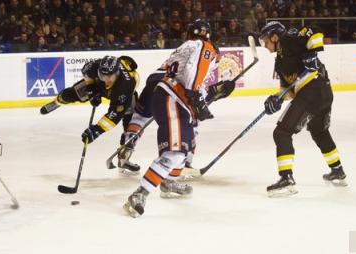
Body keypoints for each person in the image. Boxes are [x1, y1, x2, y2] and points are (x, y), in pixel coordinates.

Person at [123, 19, 223, 218]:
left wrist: (209, 94)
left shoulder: (185, 47)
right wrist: (197, 97)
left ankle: (167, 182)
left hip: (171, 96)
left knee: (184, 147)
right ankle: (139, 193)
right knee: (176, 152)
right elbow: (191, 76)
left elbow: (191, 78)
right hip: (173, 97)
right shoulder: (205, 46)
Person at [258, 21, 347, 198]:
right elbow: (289, 90)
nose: (265, 46)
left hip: (313, 91)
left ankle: (286, 179)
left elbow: (316, 30)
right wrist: (276, 99)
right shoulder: (280, 62)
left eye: (266, 41)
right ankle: (337, 171)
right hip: (322, 93)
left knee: (281, 133)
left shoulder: (288, 38)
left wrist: (312, 52)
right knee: (319, 131)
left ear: (275, 36)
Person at [40, 55, 140, 148]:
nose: (105, 79)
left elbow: (115, 114)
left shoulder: (124, 88)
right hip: (99, 85)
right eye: (103, 75)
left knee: (129, 121)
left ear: (117, 73)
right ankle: (57, 102)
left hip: (124, 93)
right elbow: (86, 71)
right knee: (68, 95)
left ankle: (127, 144)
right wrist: (91, 87)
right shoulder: (95, 66)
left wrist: (97, 129)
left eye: (109, 76)